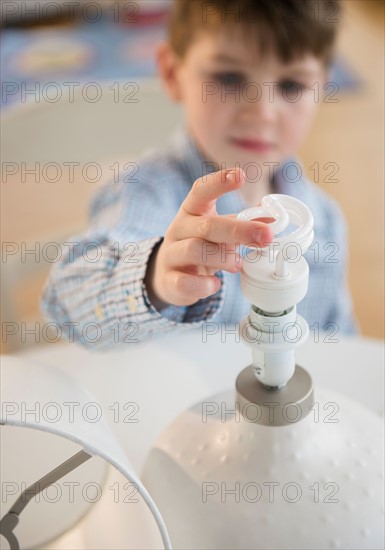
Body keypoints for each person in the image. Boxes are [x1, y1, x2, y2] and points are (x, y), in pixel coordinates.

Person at [41, 0, 358, 350]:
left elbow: (341, 348)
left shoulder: (324, 220)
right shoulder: (146, 189)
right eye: (230, 77)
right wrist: (155, 277)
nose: (263, 112)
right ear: (172, 74)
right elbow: (70, 303)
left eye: (292, 86)